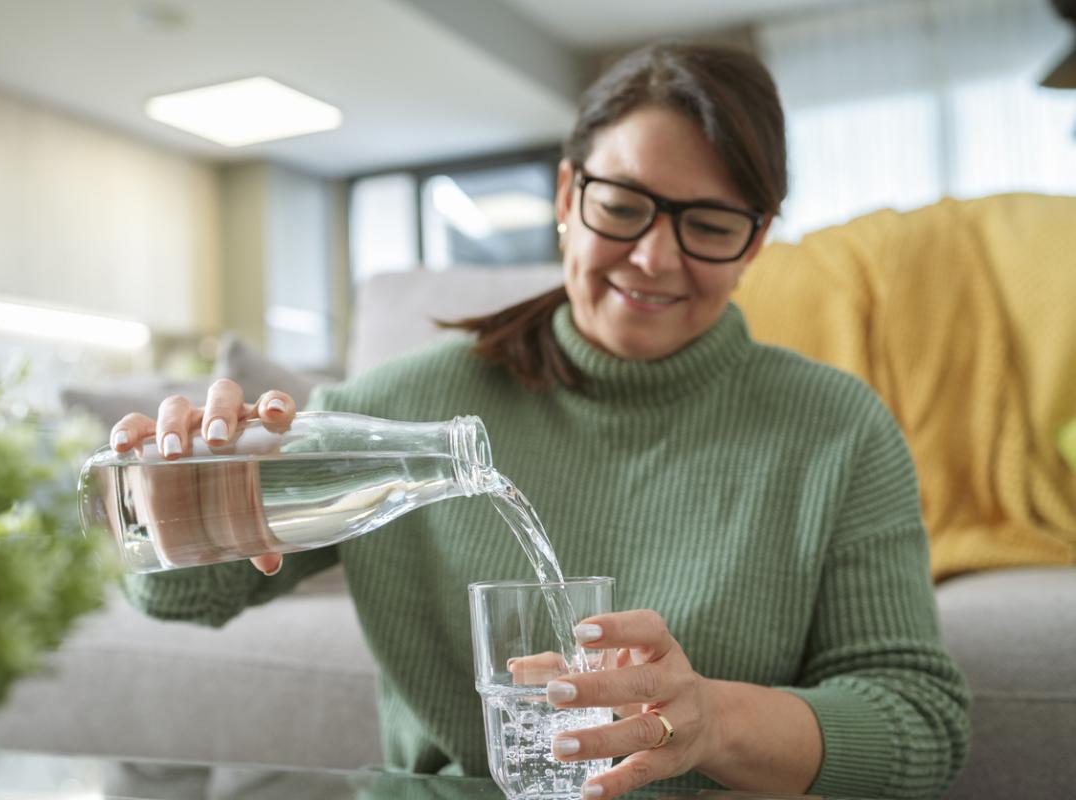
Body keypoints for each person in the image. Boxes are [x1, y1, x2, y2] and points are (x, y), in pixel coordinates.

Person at [111, 43, 971, 799]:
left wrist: (711, 721)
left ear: (754, 242)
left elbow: (918, 723)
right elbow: (180, 595)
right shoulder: (403, 412)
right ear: (568, 192)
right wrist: (175, 507)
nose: (653, 257)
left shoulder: (833, 428)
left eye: (708, 224)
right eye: (624, 207)